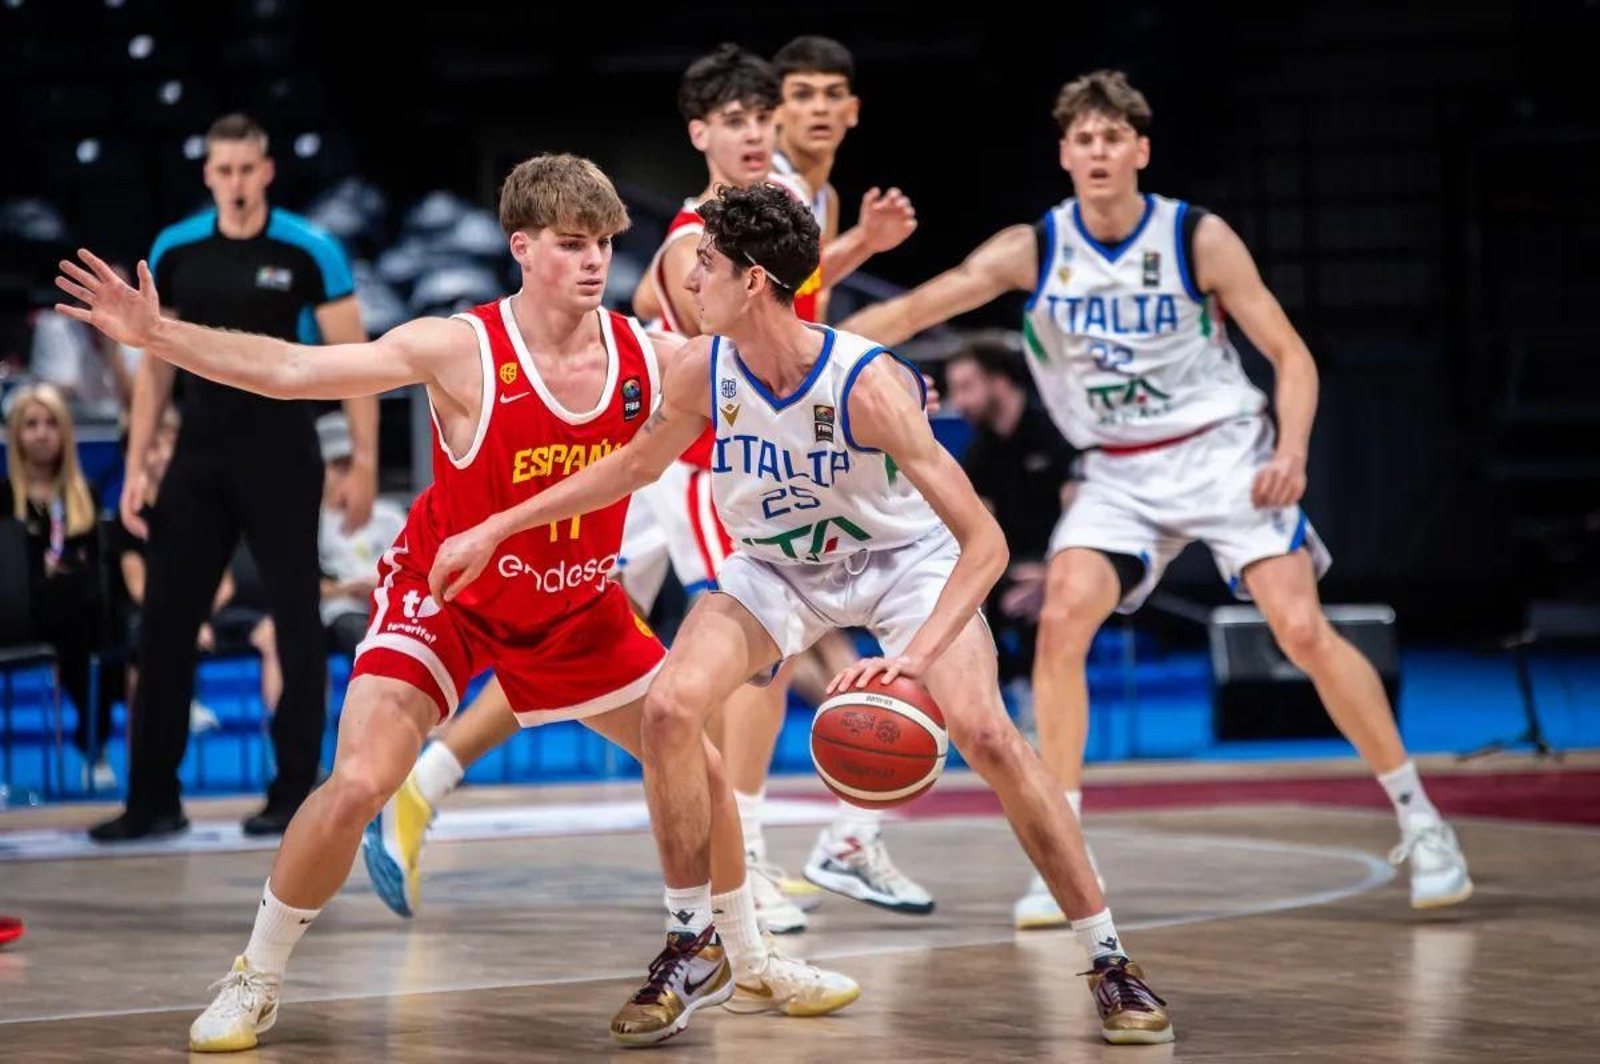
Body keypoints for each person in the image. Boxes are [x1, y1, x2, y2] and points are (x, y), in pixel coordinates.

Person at [57, 153, 858, 1053]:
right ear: (522, 248)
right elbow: (291, 370)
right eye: (570, 244)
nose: (595, 262)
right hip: (449, 595)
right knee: (360, 779)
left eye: (603, 244)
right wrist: (159, 337)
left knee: (701, 768)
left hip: (573, 605)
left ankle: (744, 958)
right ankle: (256, 976)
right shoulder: (460, 348)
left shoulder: (652, 356)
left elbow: (787, 376)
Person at [426, 182, 1175, 1046]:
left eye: (702, 265)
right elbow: (632, 468)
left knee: (989, 733)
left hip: (903, 565)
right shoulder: (702, 368)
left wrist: (916, 658)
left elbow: (984, 543)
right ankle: (690, 941)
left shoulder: (868, 383)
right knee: (670, 707)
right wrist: (498, 524)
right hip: (778, 569)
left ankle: (1110, 958)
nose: (686, 281)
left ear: (751, 282)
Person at [840, 69, 1473, 923]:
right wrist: (809, 350)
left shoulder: (1196, 238)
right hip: (1119, 471)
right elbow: (922, 305)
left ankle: (1421, 820)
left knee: (1298, 628)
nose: (1098, 152)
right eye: (1084, 139)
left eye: (1113, 138)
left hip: (1222, 454)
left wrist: (1291, 450)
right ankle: (1060, 842)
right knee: (1063, 621)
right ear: (1065, 154)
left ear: (1140, 149)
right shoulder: (1036, 247)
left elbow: (1290, 355)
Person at [370, 43, 925, 935]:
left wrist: (851, 245)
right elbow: (733, 331)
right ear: (701, 134)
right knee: (760, 653)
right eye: (738, 120)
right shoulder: (692, 234)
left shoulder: (790, 209)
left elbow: (787, 306)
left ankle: (422, 783)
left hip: (676, 461)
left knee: (574, 650)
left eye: (764, 118)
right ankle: (758, 857)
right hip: (689, 461)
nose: (756, 132)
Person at [88, 113, 379, 842]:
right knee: (163, 625)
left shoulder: (310, 250)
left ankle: (291, 793)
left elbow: (359, 362)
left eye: (248, 169)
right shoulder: (177, 249)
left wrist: (366, 463)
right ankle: (153, 799)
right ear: (208, 175)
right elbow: (155, 364)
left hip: (284, 451)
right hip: (200, 453)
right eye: (224, 171)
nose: (237, 183)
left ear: (267, 170)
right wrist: (136, 464)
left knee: (298, 621)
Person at [944, 333, 1080, 690]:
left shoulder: (1056, 433)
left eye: (966, 387)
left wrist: (1051, 574)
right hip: (1008, 568)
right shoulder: (978, 454)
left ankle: (1039, 708)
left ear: (999, 382)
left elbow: (1080, 517)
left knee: (1045, 603)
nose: (957, 402)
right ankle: (994, 702)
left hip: (1064, 562)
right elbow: (975, 532)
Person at [1, 383, 117, 788]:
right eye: (31, 424)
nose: (42, 432)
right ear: (16, 433)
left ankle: (95, 745)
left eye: (51, 423)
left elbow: (96, 565)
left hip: (76, 618)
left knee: (99, 627)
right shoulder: (4, 498)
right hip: (17, 613)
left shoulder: (84, 494)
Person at [313, 412, 406, 658]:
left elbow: (415, 570)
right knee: (356, 629)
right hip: (340, 612)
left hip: (394, 605)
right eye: (338, 466)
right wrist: (347, 590)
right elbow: (305, 585)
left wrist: (378, 587)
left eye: (350, 465)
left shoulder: (390, 516)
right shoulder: (312, 522)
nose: (346, 475)